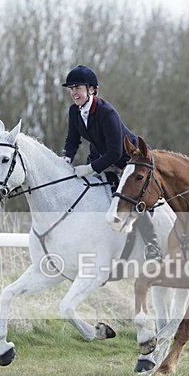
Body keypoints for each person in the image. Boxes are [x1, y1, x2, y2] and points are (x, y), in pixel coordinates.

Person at [61, 65, 162, 262]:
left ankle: (152, 245)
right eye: (71, 88)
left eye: (78, 88)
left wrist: (90, 168)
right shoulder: (74, 112)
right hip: (100, 157)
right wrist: (65, 160)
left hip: (129, 160)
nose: (74, 92)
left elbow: (115, 151)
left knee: (129, 197)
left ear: (91, 89)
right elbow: (73, 141)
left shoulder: (107, 113)